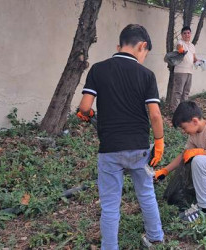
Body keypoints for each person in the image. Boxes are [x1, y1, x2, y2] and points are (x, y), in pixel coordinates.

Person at [77, 24, 165, 249]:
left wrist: (86, 114)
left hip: (109, 149)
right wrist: (159, 142)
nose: (144, 57)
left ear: (119, 45)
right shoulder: (146, 75)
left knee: (109, 205)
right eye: (146, 52)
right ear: (142, 46)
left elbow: (85, 107)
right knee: (146, 194)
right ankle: (155, 237)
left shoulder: (98, 69)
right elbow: (155, 115)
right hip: (139, 149)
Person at [170, 26, 198, 111]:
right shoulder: (180, 42)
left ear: (190, 34)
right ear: (182, 35)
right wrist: (181, 50)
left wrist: (201, 61)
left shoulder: (192, 46)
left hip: (190, 71)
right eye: (184, 33)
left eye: (188, 33)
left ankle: (183, 110)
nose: (187, 35)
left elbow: (194, 59)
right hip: (180, 71)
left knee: (186, 92)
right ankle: (174, 110)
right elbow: (179, 49)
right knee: (178, 92)